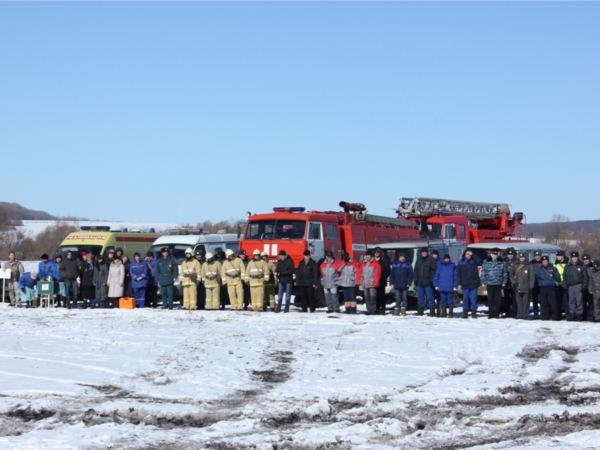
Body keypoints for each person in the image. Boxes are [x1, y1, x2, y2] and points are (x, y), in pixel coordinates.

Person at [480, 247, 507, 319]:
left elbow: (504, 273)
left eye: (496, 254)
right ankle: (491, 313)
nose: (495, 255)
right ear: (491, 254)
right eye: (493, 254)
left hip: (498, 283)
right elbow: (483, 272)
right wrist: (483, 282)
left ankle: (497, 313)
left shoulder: (502, 261)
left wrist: (504, 282)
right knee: (490, 299)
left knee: (498, 299)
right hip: (490, 283)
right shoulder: (486, 261)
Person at [563, 251, 588, 322]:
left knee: (579, 301)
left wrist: (584, 287)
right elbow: (565, 277)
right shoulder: (567, 266)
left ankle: (579, 315)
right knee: (571, 301)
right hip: (570, 286)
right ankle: (572, 314)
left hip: (578, 285)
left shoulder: (581, 265)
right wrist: (565, 286)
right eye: (573, 257)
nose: (574, 258)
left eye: (575, 257)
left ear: (578, 257)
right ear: (571, 258)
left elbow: (585, 277)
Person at [536, 255, 561, 321]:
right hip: (543, 287)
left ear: (548, 261)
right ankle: (545, 315)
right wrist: (540, 283)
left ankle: (555, 315)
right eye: (543, 262)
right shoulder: (539, 269)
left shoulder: (553, 268)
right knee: (544, 302)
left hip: (551, 287)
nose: (545, 263)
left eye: (546, 261)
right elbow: (537, 277)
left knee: (553, 302)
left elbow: (557, 277)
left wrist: (556, 283)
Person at [510, 252, 535, 320]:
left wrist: (531, 286)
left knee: (526, 302)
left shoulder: (529, 265)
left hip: (526, 286)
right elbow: (511, 275)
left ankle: (525, 315)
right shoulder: (515, 265)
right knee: (519, 302)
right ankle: (519, 314)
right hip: (518, 286)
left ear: (525, 257)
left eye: (523, 257)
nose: (521, 259)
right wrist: (514, 282)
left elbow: (532, 277)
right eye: (520, 257)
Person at [457, 250, 481, 319]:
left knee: (473, 299)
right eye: (467, 254)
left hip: (473, 283)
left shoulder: (473, 261)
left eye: (470, 254)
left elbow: (479, 260)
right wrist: (459, 283)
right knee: (465, 299)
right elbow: (458, 274)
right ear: (465, 254)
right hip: (465, 284)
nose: (468, 255)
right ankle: (465, 313)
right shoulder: (461, 262)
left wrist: (473, 254)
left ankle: (474, 312)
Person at [414, 247, 437, 316]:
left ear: (427, 252)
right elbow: (416, 270)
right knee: (420, 297)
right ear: (421, 253)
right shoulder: (419, 260)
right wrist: (415, 279)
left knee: (430, 297)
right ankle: (420, 310)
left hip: (428, 282)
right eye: (423, 252)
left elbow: (434, 270)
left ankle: (432, 310)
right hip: (420, 281)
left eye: (425, 252)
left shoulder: (431, 260)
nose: (424, 253)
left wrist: (432, 280)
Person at [389, 252, 413, 316]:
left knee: (404, 298)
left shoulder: (408, 264)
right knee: (397, 298)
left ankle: (403, 311)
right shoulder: (395, 264)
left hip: (405, 285)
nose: (402, 258)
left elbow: (410, 274)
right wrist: (391, 282)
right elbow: (392, 275)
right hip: (397, 284)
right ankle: (396, 311)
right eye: (401, 257)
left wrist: (409, 283)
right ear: (399, 258)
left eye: (403, 257)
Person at [360, 250, 381, 315]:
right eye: (367, 255)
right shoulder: (363, 263)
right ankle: (368, 309)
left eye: (369, 255)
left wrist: (375, 283)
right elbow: (361, 274)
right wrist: (362, 283)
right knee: (367, 297)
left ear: (371, 256)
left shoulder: (375, 263)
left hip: (372, 284)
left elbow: (377, 274)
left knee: (372, 297)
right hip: (365, 284)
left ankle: (373, 310)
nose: (368, 256)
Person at [374, 248, 391, 315]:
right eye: (375, 252)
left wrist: (382, 277)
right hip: (374, 281)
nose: (376, 253)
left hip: (382, 281)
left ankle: (383, 309)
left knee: (382, 296)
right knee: (375, 296)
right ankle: (377, 308)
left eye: (378, 252)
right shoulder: (373, 261)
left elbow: (388, 271)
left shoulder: (384, 261)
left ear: (380, 254)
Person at [503, 248, 518, 318]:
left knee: (514, 299)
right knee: (506, 299)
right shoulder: (504, 261)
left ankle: (514, 312)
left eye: (511, 254)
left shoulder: (516, 261)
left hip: (514, 282)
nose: (510, 256)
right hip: (506, 282)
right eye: (509, 254)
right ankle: (507, 312)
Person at [554, 250, 569, 320]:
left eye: (559, 255)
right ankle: (558, 315)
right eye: (557, 255)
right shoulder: (555, 264)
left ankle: (568, 315)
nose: (557, 257)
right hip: (558, 284)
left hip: (566, 284)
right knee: (557, 300)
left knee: (566, 300)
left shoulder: (568, 263)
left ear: (563, 256)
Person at [529, 250, 543, 319]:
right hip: (534, 284)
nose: (537, 257)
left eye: (538, 255)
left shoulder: (544, 263)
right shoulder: (531, 263)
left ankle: (543, 313)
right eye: (536, 256)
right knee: (535, 300)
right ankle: (536, 313)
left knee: (543, 300)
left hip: (542, 284)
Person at [581, 253, 595, 321]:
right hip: (584, 287)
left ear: (589, 260)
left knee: (591, 303)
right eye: (584, 260)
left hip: (591, 287)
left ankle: (590, 316)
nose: (585, 261)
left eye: (587, 259)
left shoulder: (593, 266)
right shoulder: (581, 267)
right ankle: (584, 316)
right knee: (583, 302)